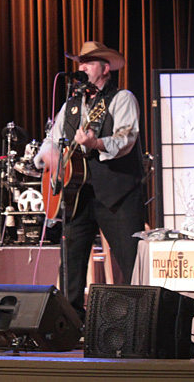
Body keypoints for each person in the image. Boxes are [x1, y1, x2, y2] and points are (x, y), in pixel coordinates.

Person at [34, 41, 146, 320]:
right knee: (70, 263)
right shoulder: (71, 105)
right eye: (80, 63)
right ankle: (71, 322)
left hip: (117, 194)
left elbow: (125, 139)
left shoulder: (122, 98)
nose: (81, 68)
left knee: (130, 262)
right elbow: (51, 140)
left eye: (89, 63)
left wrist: (96, 142)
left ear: (105, 69)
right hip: (78, 195)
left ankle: (140, 322)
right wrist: (48, 158)